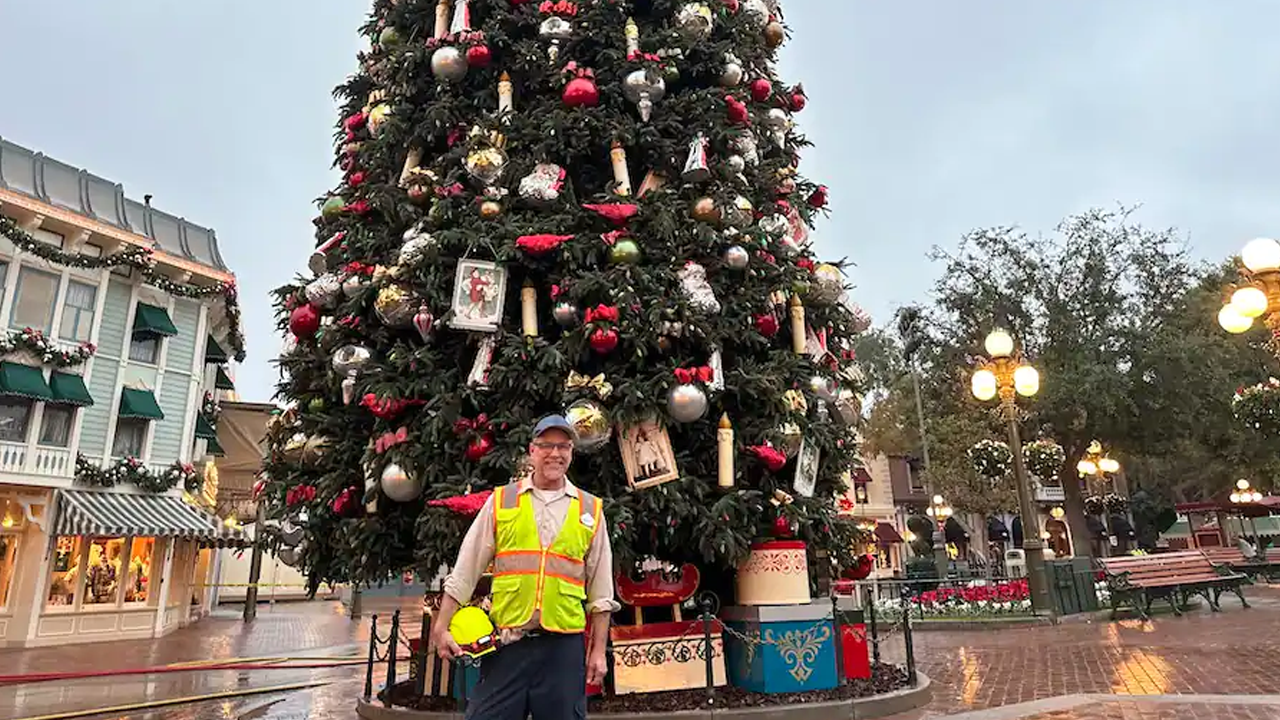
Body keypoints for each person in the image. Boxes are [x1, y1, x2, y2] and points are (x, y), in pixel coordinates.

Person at [430, 414, 619, 720]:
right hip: (508, 647)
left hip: (562, 649)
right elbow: (466, 568)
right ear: (532, 450)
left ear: (572, 452)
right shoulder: (502, 502)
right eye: (546, 445)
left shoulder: (590, 510)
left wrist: (598, 651)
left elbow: (601, 591)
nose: (555, 453)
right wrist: (441, 626)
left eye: (563, 446)